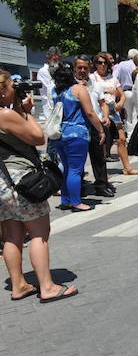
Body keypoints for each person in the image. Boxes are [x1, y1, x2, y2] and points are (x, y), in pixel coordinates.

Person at [0, 69, 77, 303]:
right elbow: (37, 137)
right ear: (2, 91)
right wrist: (25, 112)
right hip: (21, 180)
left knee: (12, 235)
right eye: (13, 87)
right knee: (38, 233)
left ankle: (19, 285)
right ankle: (47, 286)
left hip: (3, 182)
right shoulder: (5, 114)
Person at [50, 62, 106, 212]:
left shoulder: (55, 91)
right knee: (76, 169)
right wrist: (100, 130)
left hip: (59, 134)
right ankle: (76, 202)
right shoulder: (79, 89)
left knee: (67, 168)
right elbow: (90, 112)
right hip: (76, 134)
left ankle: (66, 200)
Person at [90, 52, 138, 176]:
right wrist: (107, 90)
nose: (102, 65)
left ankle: (127, 167)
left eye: (105, 63)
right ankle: (101, 172)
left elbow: (122, 94)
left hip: (114, 110)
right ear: (95, 64)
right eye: (99, 62)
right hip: (100, 111)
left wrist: (120, 103)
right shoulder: (92, 77)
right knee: (101, 141)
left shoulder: (113, 78)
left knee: (121, 139)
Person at [73, 55, 115, 198]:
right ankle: (78, 186)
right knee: (78, 159)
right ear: (75, 68)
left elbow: (102, 103)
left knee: (99, 157)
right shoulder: (71, 84)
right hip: (78, 125)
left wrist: (105, 116)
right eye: (80, 67)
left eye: (85, 67)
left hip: (96, 124)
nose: (83, 70)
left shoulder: (95, 83)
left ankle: (101, 185)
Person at [35, 46, 62, 120]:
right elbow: (53, 87)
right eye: (55, 59)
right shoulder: (43, 71)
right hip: (49, 107)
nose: (57, 62)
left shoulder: (59, 70)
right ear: (48, 59)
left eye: (59, 59)